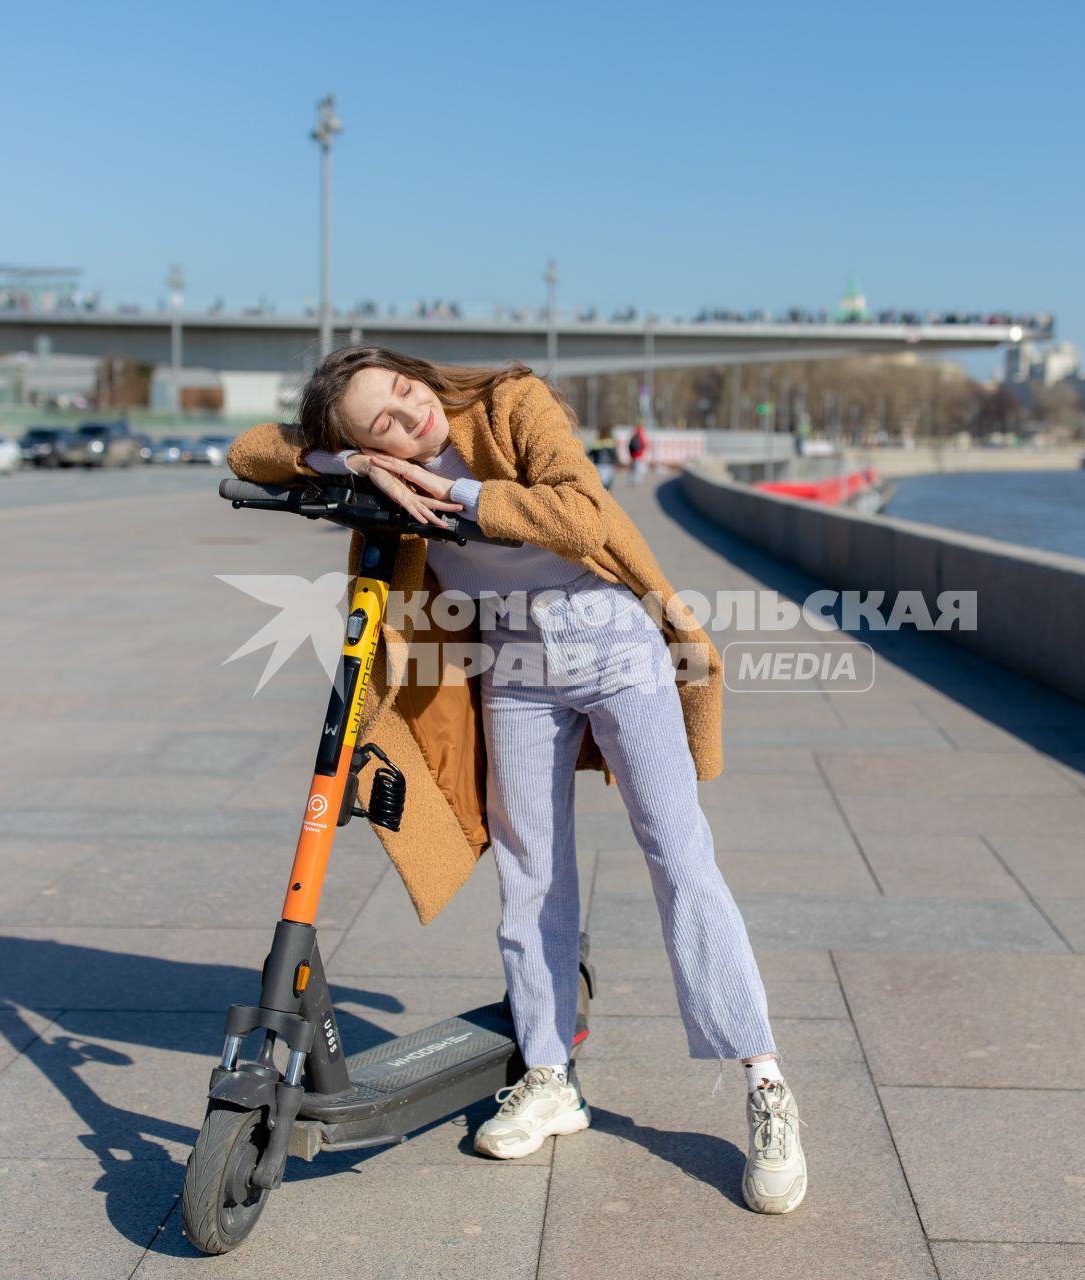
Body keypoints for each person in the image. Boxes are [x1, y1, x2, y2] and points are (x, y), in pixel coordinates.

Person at [228, 347, 808, 1215]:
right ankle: (548, 1075)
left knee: (679, 856)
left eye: (402, 390)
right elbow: (246, 452)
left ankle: (764, 1082)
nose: (407, 415)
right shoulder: (376, 462)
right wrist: (347, 464)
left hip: (616, 643)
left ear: (413, 372)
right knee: (529, 870)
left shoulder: (509, 403)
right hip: (517, 669)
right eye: (380, 422)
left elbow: (581, 514)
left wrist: (454, 495)